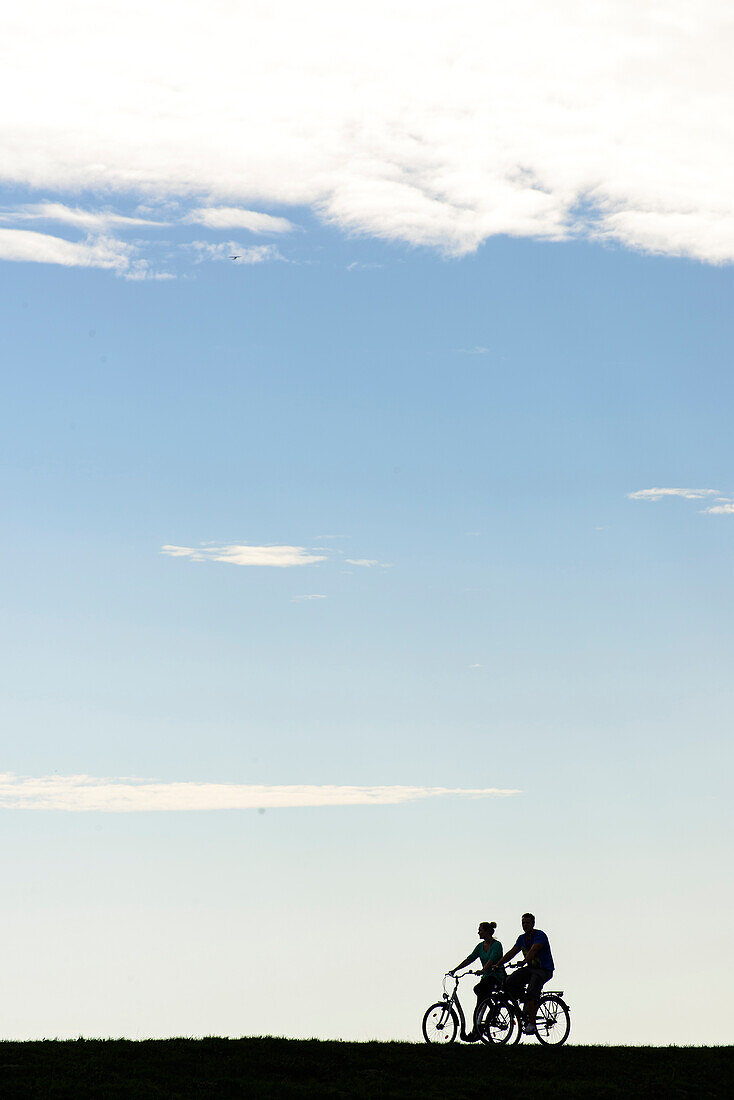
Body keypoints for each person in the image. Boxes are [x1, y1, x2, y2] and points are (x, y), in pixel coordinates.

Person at [495, 912, 554, 1034]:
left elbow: (534, 949)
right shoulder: (522, 938)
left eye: (527, 922)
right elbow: (512, 952)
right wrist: (498, 964)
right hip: (530, 969)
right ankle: (525, 1003)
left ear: (533, 923)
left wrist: (525, 960)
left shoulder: (540, 935)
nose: (525, 925)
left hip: (543, 970)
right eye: (523, 923)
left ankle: (532, 1024)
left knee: (532, 992)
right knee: (509, 981)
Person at [450, 921, 506, 1037]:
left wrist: (483, 970)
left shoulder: (497, 945)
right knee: (479, 998)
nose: (478, 932)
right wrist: (455, 970)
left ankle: (479, 1027)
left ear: (487, 931)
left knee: (479, 992)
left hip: (496, 977)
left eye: (480, 930)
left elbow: (492, 960)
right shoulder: (480, 946)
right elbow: (470, 958)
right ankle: (479, 1025)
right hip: (486, 978)